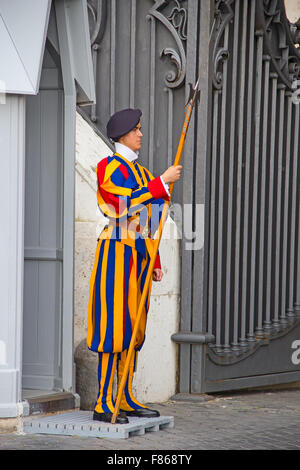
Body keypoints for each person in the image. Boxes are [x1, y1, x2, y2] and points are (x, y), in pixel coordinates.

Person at [87, 108, 182, 424]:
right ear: (124, 134)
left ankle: (125, 396)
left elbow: (148, 222)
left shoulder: (141, 174)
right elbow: (117, 206)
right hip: (115, 253)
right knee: (112, 327)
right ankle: (104, 402)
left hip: (137, 256)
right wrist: (160, 184)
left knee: (134, 327)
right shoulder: (108, 167)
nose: (141, 134)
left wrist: (153, 258)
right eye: (137, 129)